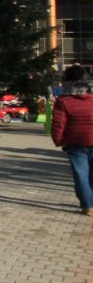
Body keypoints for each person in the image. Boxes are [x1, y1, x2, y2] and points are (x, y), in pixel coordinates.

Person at [52, 69, 93, 215]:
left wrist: (59, 141)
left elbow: (58, 124)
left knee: (81, 174)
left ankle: (88, 205)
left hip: (75, 142)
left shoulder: (63, 101)